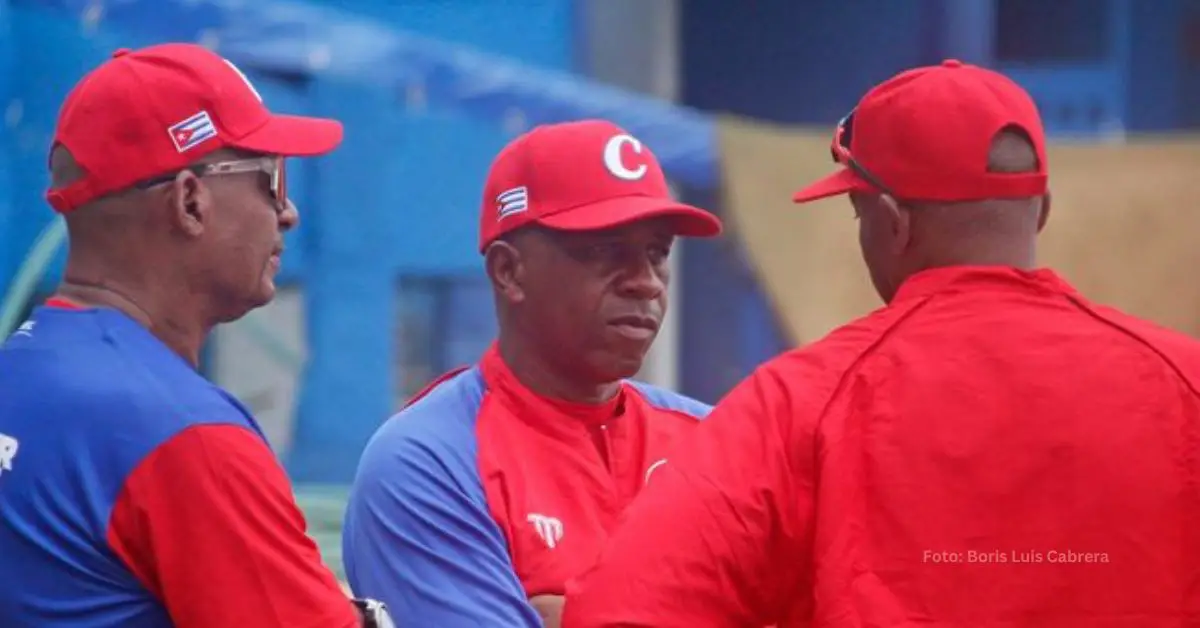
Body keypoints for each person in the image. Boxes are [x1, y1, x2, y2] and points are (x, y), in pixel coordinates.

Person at [562, 60, 1200, 627]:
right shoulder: (1184, 381)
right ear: (1041, 211)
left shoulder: (798, 405)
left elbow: (624, 614)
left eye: (859, 216)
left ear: (892, 225)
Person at [0, 43, 392, 627]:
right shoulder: (181, 433)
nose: (288, 213)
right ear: (190, 201)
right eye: (271, 177)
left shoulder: (19, 372)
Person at [341, 119, 723, 627]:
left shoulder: (717, 440)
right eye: (606, 250)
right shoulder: (426, 462)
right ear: (508, 271)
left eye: (656, 252)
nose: (645, 282)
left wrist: (572, 618)